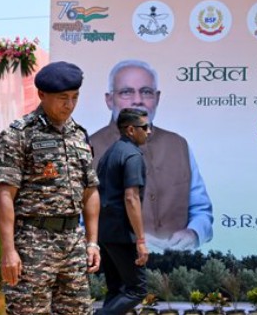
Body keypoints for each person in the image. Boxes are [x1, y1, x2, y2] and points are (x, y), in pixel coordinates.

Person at [0, 61, 101, 315]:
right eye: (61, 98)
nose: (68, 105)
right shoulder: (18, 135)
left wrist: (92, 242)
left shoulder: (78, 135)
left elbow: (91, 191)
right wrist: (8, 250)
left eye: (73, 98)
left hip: (72, 241)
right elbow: (5, 194)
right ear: (41, 95)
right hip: (33, 240)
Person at [89, 59, 213, 252]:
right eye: (126, 92)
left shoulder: (178, 145)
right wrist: (130, 239)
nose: (137, 100)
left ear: (157, 98)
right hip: (113, 266)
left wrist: (194, 233)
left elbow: (201, 210)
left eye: (146, 92)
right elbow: (78, 221)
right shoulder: (89, 148)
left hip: (176, 267)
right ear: (109, 99)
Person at [85, 108, 151, 315]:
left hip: (105, 231)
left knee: (117, 288)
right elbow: (131, 197)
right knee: (137, 289)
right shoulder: (132, 155)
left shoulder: (111, 153)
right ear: (130, 129)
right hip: (122, 233)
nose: (149, 131)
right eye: (144, 127)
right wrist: (141, 239)